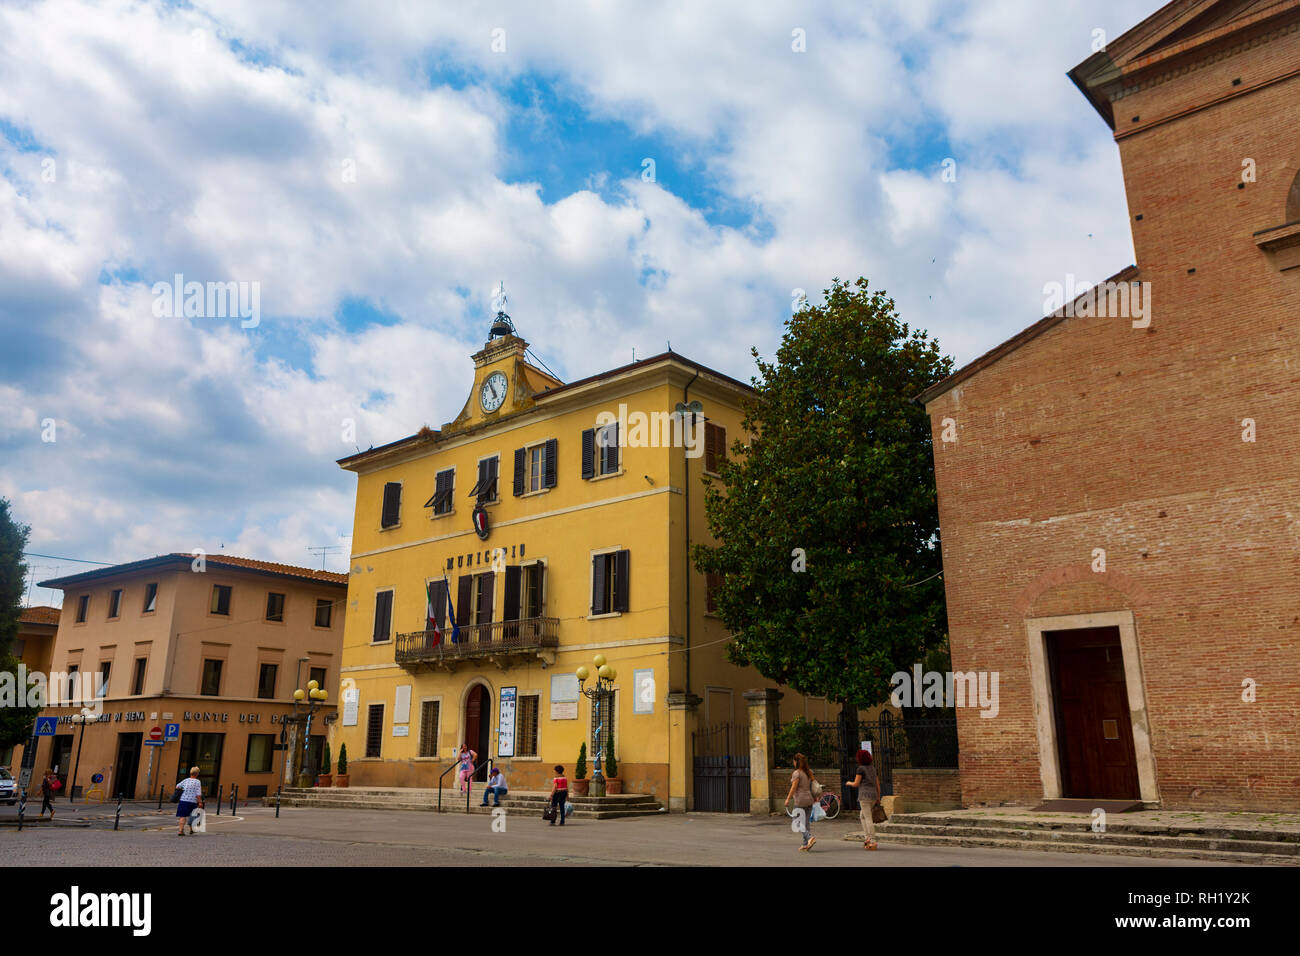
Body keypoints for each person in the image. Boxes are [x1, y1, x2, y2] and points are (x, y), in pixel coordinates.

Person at [846, 748, 881, 850]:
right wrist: (878, 797)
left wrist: (849, 783)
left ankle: (872, 840)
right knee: (862, 816)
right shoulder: (873, 768)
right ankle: (867, 838)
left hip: (864, 797)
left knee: (868, 818)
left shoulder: (860, 769)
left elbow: (856, 784)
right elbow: (877, 784)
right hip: (873, 796)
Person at [783, 752, 817, 851]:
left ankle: (809, 837)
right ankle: (805, 844)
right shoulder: (809, 772)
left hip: (800, 801)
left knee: (796, 822)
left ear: (796, 762)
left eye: (793, 761)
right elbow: (813, 785)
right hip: (809, 800)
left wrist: (788, 799)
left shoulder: (797, 773)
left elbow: (793, 788)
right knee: (805, 823)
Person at [174, 767, 205, 836]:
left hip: (183, 800)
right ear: (197, 774)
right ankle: (191, 829)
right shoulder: (197, 782)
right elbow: (198, 794)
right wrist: (200, 802)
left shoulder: (186, 780)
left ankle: (181, 830)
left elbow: (177, 786)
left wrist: (184, 789)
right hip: (192, 801)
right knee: (193, 816)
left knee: (182, 816)